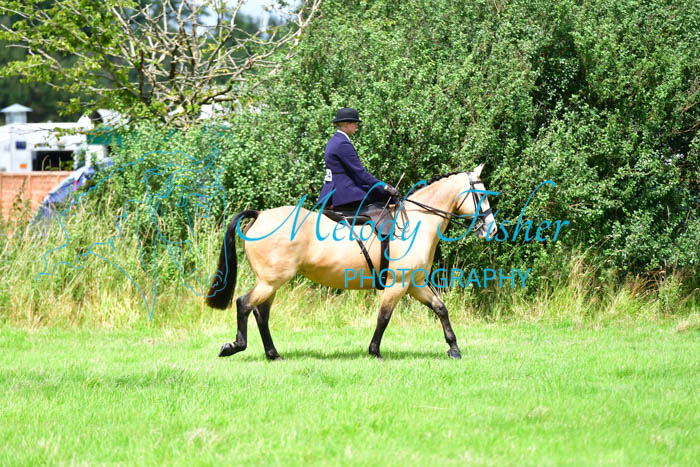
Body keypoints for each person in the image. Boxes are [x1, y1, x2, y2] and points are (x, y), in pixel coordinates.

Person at [318, 107, 401, 239]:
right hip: (344, 193)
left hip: (335, 190)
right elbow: (361, 173)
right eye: (354, 123)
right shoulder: (342, 143)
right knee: (385, 196)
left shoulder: (334, 140)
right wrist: (384, 186)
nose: (357, 126)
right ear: (346, 124)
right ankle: (387, 241)